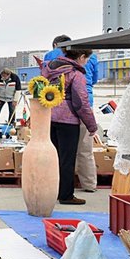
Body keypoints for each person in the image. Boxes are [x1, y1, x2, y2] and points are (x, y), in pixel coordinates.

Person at [42, 48, 98, 206]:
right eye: (86, 59)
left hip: (49, 117)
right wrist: (91, 126)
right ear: (81, 57)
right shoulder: (75, 74)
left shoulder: (50, 68)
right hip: (68, 120)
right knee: (67, 159)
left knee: (53, 158)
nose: (86, 62)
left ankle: (50, 191)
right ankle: (66, 195)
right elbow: (81, 102)